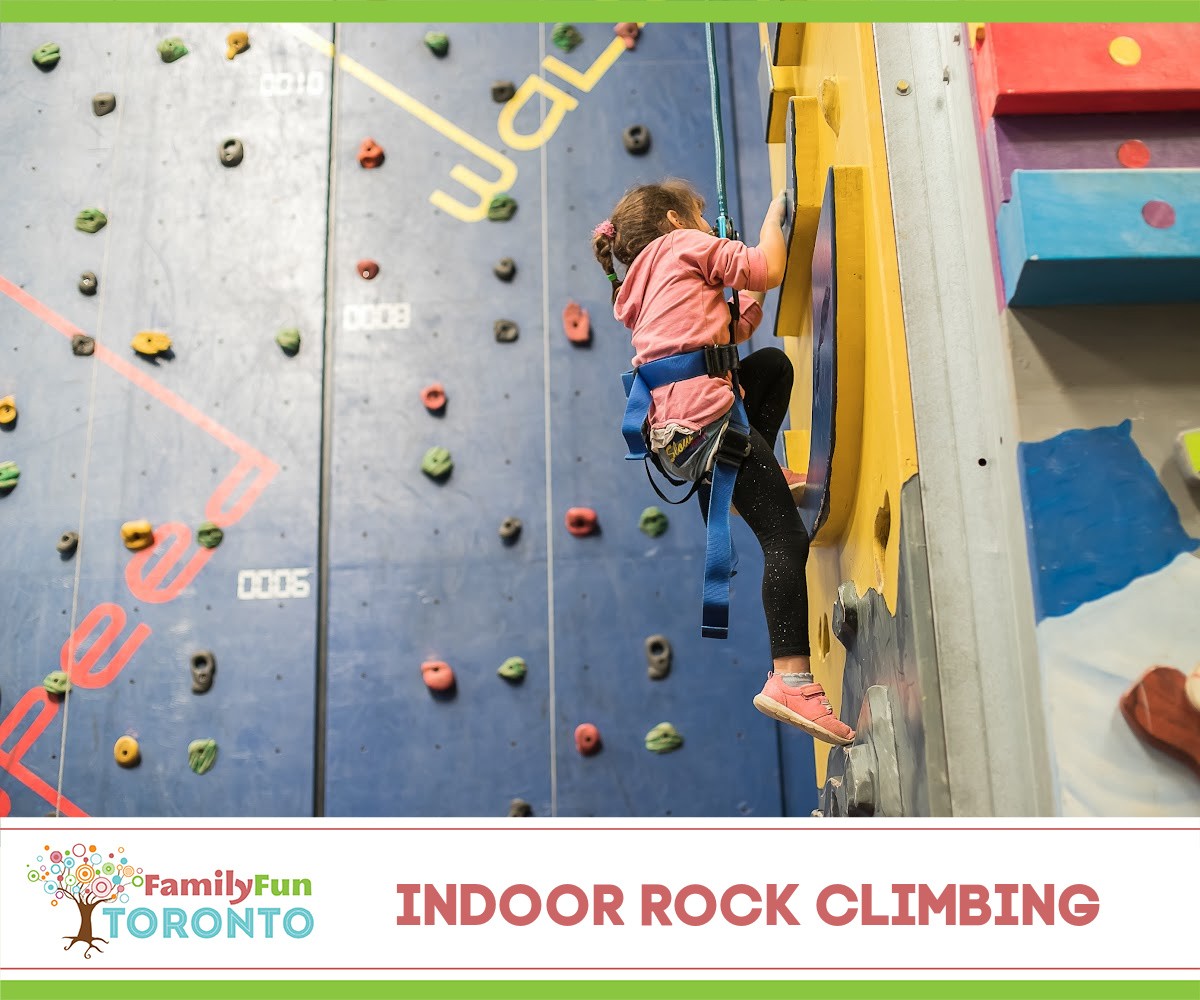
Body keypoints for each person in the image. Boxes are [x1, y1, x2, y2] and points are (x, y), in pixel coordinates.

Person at [592, 178, 855, 747]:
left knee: (769, 369)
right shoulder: (687, 247)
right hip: (709, 424)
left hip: (678, 437)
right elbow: (767, 268)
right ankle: (791, 679)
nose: (708, 227)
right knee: (785, 540)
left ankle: (755, 480)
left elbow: (733, 330)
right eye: (701, 217)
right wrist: (768, 227)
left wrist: (737, 294)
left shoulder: (640, 288)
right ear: (672, 221)